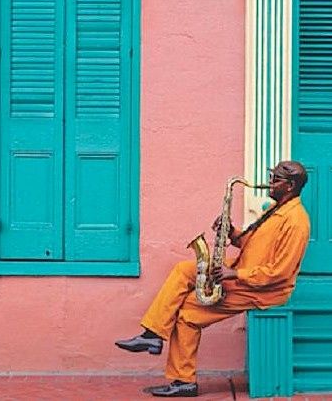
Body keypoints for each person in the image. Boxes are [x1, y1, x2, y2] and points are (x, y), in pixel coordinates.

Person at [115, 160, 310, 397]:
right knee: (183, 270)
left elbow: (280, 272)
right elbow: (251, 245)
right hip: (243, 272)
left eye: (275, 179)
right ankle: (153, 334)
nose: (269, 182)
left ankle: (182, 380)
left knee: (187, 314)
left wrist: (235, 274)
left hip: (261, 289)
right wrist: (231, 232)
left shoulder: (297, 222)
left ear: (289, 186)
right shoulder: (275, 209)